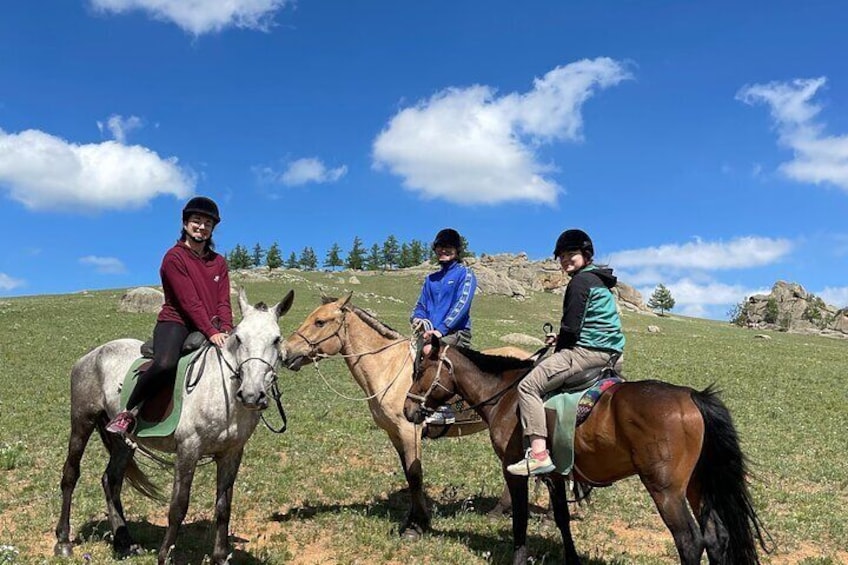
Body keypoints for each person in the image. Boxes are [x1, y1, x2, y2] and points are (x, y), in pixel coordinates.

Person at [105, 196, 234, 436]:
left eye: (208, 223)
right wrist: (212, 331)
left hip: (211, 325)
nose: (202, 227)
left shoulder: (218, 263)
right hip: (176, 322)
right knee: (165, 363)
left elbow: (223, 301)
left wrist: (226, 328)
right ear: (185, 224)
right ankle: (128, 411)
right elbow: (189, 302)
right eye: (197, 221)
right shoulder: (174, 257)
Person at [506, 229, 625, 476]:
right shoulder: (599, 280)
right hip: (613, 356)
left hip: (587, 354)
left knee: (528, 387)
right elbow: (589, 323)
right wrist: (561, 338)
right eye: (561, 256)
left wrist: (559, 350)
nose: (565, 260)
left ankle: (538, 455)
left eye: (571, 254)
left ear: (585, 254)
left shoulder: (580, 282)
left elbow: (571, 328)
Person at [411, 228, 477, 425]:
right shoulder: (430, 280)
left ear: (456, 251)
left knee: (436, 359)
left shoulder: (465, 275)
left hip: (456, 332)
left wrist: (440, 330)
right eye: (440, 248)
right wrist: (417, 319)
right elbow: (420, 306)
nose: (443, 251)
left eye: (448, 248)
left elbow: (461, 306)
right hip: (430, 334)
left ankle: (452, 409)